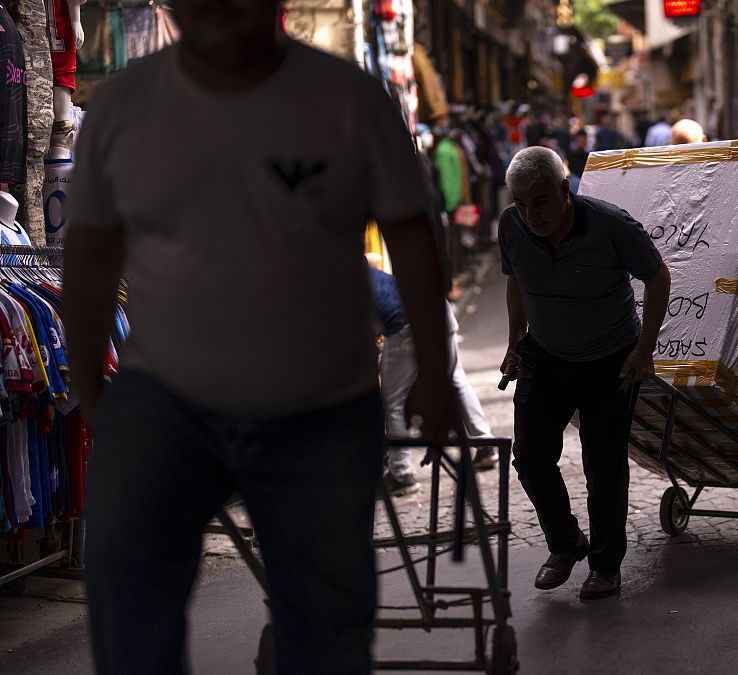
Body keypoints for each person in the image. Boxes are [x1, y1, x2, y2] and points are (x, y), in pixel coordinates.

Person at [62, 0, 456, 671]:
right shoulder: (125, 104)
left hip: (321, 406)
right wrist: (87, 380)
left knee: (326, 635)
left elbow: (414, 237)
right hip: (164, 401)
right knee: (128, 615)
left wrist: (437, 375)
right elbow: (92, 252)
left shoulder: (349, 100)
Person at [498, 147, 670, 600]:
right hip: (545, 356)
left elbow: (659, 278)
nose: (530, 214)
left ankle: (606, 565)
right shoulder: (510, 225)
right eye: (521, 203)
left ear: (563, 189)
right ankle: (566, 543)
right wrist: (516, 339)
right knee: (531, 457)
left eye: (539, 202)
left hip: (609, 359)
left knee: (603, 466)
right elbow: (513, 277)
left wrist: (644, 349)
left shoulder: (611, 225)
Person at [366, 255, 496, 496]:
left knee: (394, 399)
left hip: (408, 323)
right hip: (437, 308)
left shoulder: (340, 284)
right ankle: (485, 444)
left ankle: (400, 472)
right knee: (455, 379)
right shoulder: (357, 269)